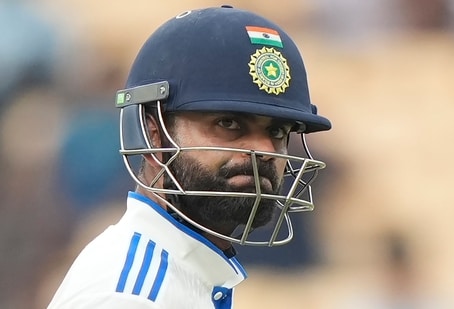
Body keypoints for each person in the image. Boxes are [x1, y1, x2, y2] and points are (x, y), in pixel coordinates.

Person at [48, 5, 332, 309]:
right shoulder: (129, 298)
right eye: (229, 123)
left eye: (277, 131)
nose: (263, 150)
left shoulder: (187, 276)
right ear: (153, 133)